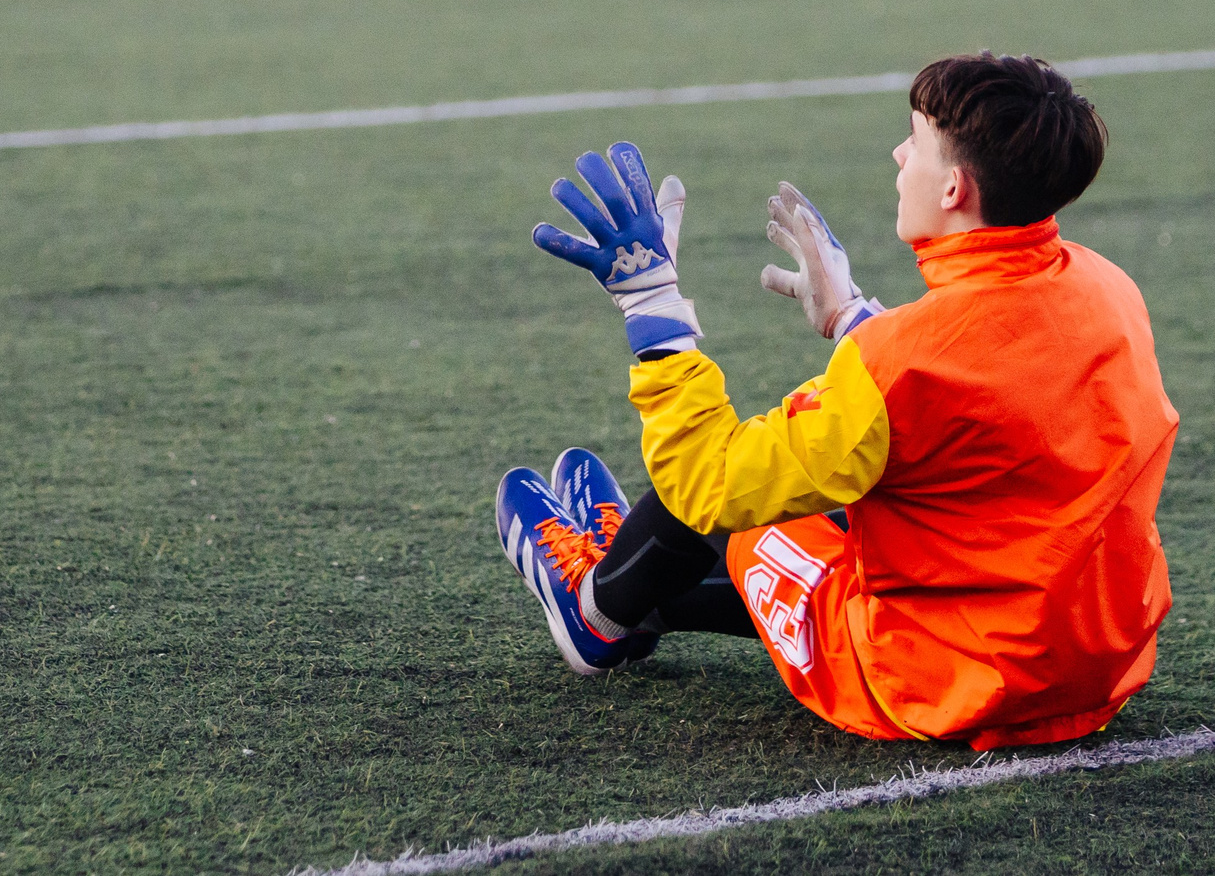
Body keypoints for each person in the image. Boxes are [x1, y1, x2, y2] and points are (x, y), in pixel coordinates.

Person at [498, 54, 1177, 749]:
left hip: (946, 682)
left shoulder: (898, 362)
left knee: (740, 510)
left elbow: (710, 481)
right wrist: (853, 315)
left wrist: (654, 310)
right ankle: (631, 579)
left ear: (954, 187)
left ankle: (596, 611)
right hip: (1093, 664)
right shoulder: (1108, 289)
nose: (899, 154)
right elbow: (989, 395)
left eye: (915, 140)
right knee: (864, 499)